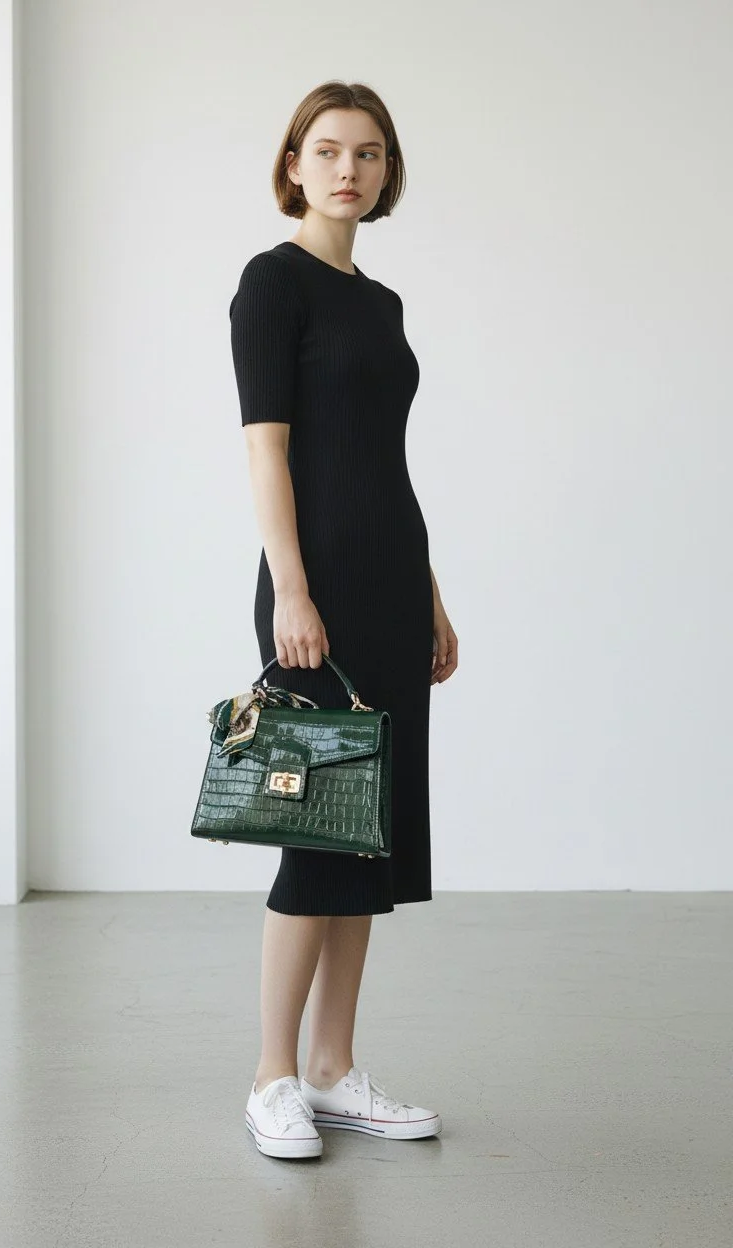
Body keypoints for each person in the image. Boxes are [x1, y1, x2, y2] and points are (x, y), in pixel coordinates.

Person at [228, 81, 458, 1160]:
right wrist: (293, 589)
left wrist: (430, 594)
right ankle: (273, 1076)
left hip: (387, 577)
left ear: (385, 171)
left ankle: (333, 1070)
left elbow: (385, 463)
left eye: (367, 153)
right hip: (312, 592)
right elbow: (267, 450)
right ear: (293, 164)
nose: (347, 170)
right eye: (326, 150)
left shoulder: (383, 303)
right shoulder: (272, 288)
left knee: (370, 836)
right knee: (315, 831)